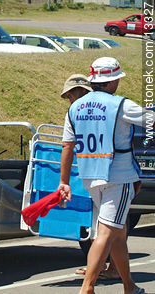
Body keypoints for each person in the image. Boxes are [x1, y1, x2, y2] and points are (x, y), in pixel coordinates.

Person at [58, 57, 148, 294]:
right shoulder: (121, 104)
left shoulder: (74, 108)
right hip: (119, 177)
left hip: (90, 178)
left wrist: (64, 182)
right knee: (106, 234)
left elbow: (67, 146)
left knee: (118, 234)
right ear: (112, 81)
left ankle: (130, 286)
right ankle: (87, 288)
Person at [61, 74, 121, 280]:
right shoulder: (94, 111)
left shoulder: (84, 112)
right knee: (111, 227)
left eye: (70, 96)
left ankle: (92, 278)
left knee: (104, 227)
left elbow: (68, 146)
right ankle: (112, 271)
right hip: (106, 175)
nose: (69, 101)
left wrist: (64, 181)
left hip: (106, 175)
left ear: (81, 93)